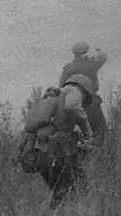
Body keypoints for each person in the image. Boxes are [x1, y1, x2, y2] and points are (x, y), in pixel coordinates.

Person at [30, 74, 94, 205]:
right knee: (72, 189)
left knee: (59, 192)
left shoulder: (56, 97)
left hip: (41, 150)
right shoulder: (75, 91)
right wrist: (87, 129)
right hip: (58, 151)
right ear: (84, 89)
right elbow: (72, 107)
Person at [59, 41, 108, 144]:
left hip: (72, 102)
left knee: (73, 136)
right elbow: (103, 57)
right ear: (86, 51)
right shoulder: (91, 64)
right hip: (91, 102)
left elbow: (61, 86)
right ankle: (96, 156)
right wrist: (98, 50)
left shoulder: (68, 68)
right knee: (99, 133)